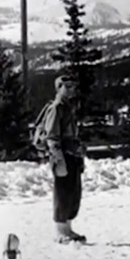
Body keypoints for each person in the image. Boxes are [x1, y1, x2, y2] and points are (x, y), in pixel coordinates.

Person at [36, 75, 87, 244]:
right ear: (58, 87)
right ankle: (60, 231)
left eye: (73, 85)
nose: (71, 89)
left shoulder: (68, 107)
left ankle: (68, 228)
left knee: (73, 192)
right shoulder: (57, 108)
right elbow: (52, 136)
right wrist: (58, 159)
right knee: (63, 192)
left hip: (72, 155)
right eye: (67, 86)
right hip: (63, 156)